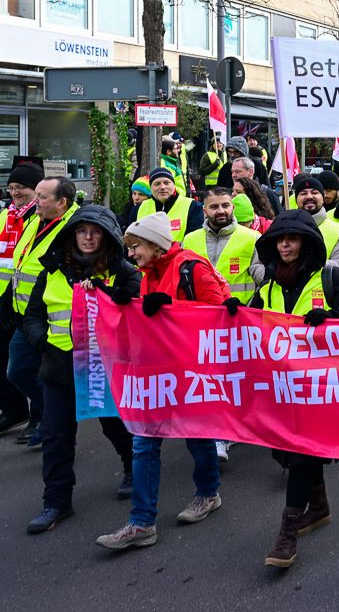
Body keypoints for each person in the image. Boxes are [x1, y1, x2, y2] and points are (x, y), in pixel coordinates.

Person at [96, 212, 231, 550]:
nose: (131, 254)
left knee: (196, 436)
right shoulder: (146, 274)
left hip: (191, 370)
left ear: (155, 244)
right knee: (144, 441)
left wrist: (171, 306)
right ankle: (142, 522)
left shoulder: (193, 267)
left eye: (136, 246)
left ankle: (208, 493)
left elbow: (220, 317)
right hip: (157, 371)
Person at [249, 210, 339, 567]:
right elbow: (251, 322)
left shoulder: (330, 277)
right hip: (280, 388)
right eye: (279, 240)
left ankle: (286, 536)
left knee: (299, 454)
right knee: (287, 452)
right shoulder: (267, 284)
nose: (284, 245)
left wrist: (329, 319)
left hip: (320, 388)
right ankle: (319, 506)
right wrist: (234, 311)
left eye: (292, 239)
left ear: (307, 243)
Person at [23, 205, 137, 534]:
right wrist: (42, 341)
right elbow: (32, 316)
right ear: (72, 234)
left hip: (105, 369)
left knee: (115, 426)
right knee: (56, 438)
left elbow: (137, 310)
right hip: (59, 369)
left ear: (107, 236)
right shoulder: (52, 271)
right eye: (81, 231)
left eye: (96, 231)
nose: (88, 237)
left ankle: (131, 467)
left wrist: (108, 294)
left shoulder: (122, 271)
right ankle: (56, 502)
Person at [4, 175, 79, 449]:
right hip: (25, 316)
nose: (35, 201)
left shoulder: (74, 227)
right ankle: (49, 416)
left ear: (61, 202)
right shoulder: (37, 220)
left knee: (52, 380)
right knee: (18, 372)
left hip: (56, 321)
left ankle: (53, 423)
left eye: (42, 197)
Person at [0, 163, 44, 437]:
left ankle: (42, 416)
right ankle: (15, 409)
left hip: (26, 301)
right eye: (12, 188)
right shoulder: (6, 215)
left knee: (28, 366)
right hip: (3, 298)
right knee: (5, 362)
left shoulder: (38, 218)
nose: (15, 193)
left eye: (21, 188)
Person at [291, 175, 339, 275]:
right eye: (303, 193)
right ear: (296, 199)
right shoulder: (284, 228)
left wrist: (308, 265)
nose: (309, 196)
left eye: (314, 192)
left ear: (322, 197)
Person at [129, 167, 204, 243]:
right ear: (151, 188)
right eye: (157, 184)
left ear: (174, 185)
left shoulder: (192, 206)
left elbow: (195, 241)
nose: (162, 187)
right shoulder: (138, 209)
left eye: (166, 183)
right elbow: (131, 241)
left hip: (181, 254)